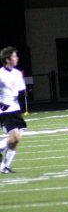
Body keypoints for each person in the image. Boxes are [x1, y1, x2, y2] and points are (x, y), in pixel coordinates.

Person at [0, 46, 29, 174]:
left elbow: (20, 91)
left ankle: (4, 167)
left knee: (16, 140)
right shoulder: (0, 74)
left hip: (15, 109)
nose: (17, 58)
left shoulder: (17, 73)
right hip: (5, 110)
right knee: (14, 137)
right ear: (7, 59)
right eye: (14, 56)